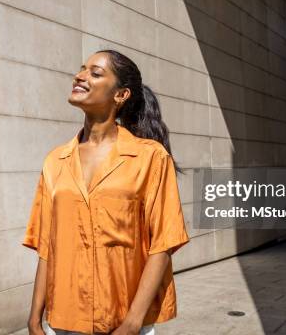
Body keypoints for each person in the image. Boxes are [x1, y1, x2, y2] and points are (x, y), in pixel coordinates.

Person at [23, 50, 190, 335]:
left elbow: (163, 243)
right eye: (81, 69)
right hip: (64, 320)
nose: (80, 76)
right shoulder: (55, 161)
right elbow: (47, 244)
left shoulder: (150, 157)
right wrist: (34, 319)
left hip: (124, 320)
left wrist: (133, 323)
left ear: (121, 95)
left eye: (95, 73)